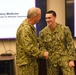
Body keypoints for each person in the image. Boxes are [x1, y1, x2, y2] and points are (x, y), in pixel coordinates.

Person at [39, 10, 76, 75]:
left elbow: (70, 45)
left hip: (65, 59)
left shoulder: (64, 29)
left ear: (55, 17)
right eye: (46, 18)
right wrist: (44, 53)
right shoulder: (43, 33)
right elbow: (42, 46)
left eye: (49, 18)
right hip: (51, 61)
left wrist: (71, 59)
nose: (47, 20)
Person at [16, 7, 48, 75]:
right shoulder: (25, 29)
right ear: (34, 17)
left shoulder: (30, 27)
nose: (40, 18)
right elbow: (29, 48)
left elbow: (34, 41)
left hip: (31, 62)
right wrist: (42, 54)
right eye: (39, 16)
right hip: (26, 65)